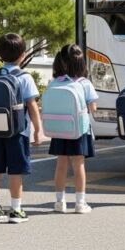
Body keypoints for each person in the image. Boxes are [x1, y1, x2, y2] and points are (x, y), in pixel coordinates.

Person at [0, 33, 44, 224]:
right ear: (23, 55)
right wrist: (37, 128)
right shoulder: (24, 77)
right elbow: (32, 105)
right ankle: (16, 210)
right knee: (15, 171)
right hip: (18, 132)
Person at [48, 44, 98, 214]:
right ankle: (80, 203)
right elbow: (93, 107)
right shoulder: (85, 83)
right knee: (79, 165)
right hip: (78, 130)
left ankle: (59, 202)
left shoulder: (55, 82)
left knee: (60, 165)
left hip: (59, 130)